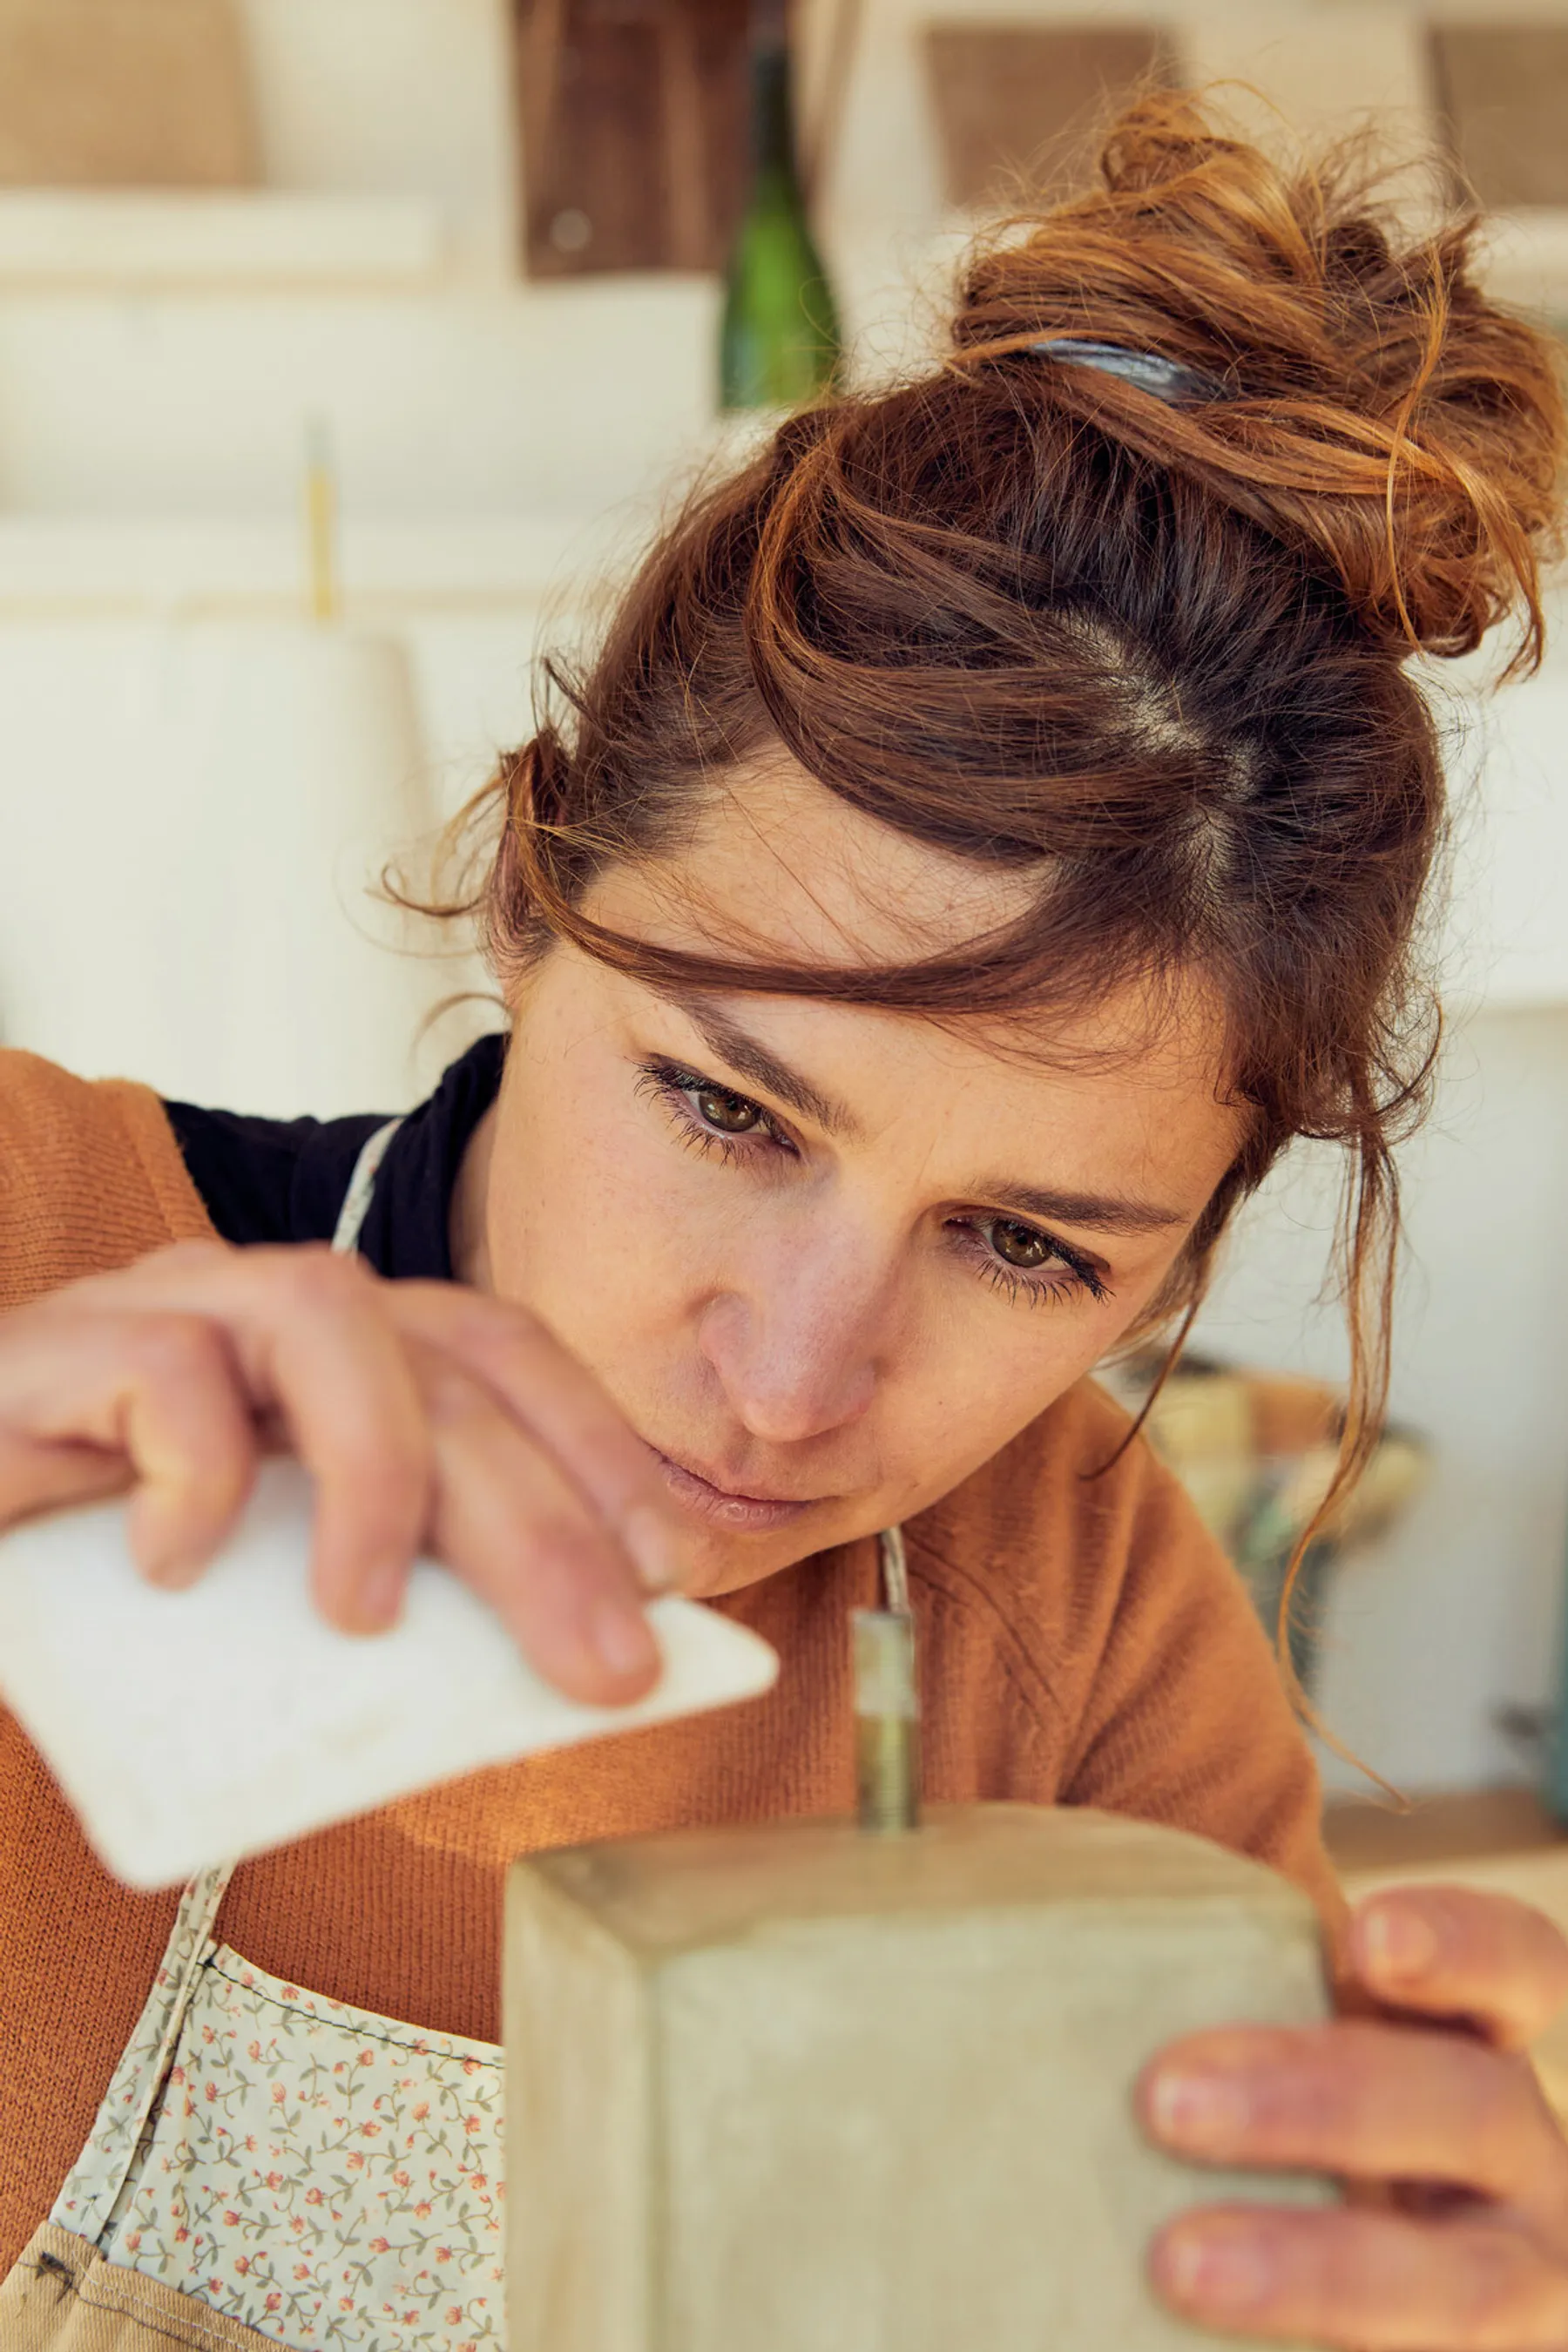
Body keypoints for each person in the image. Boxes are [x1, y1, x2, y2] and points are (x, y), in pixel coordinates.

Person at [3, 91, 1567, 2352]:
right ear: (539, 899)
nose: (795, 1375)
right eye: (729, 1105)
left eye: (1030, 1245)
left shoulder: (1105, 1668)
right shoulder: (34, 1241)